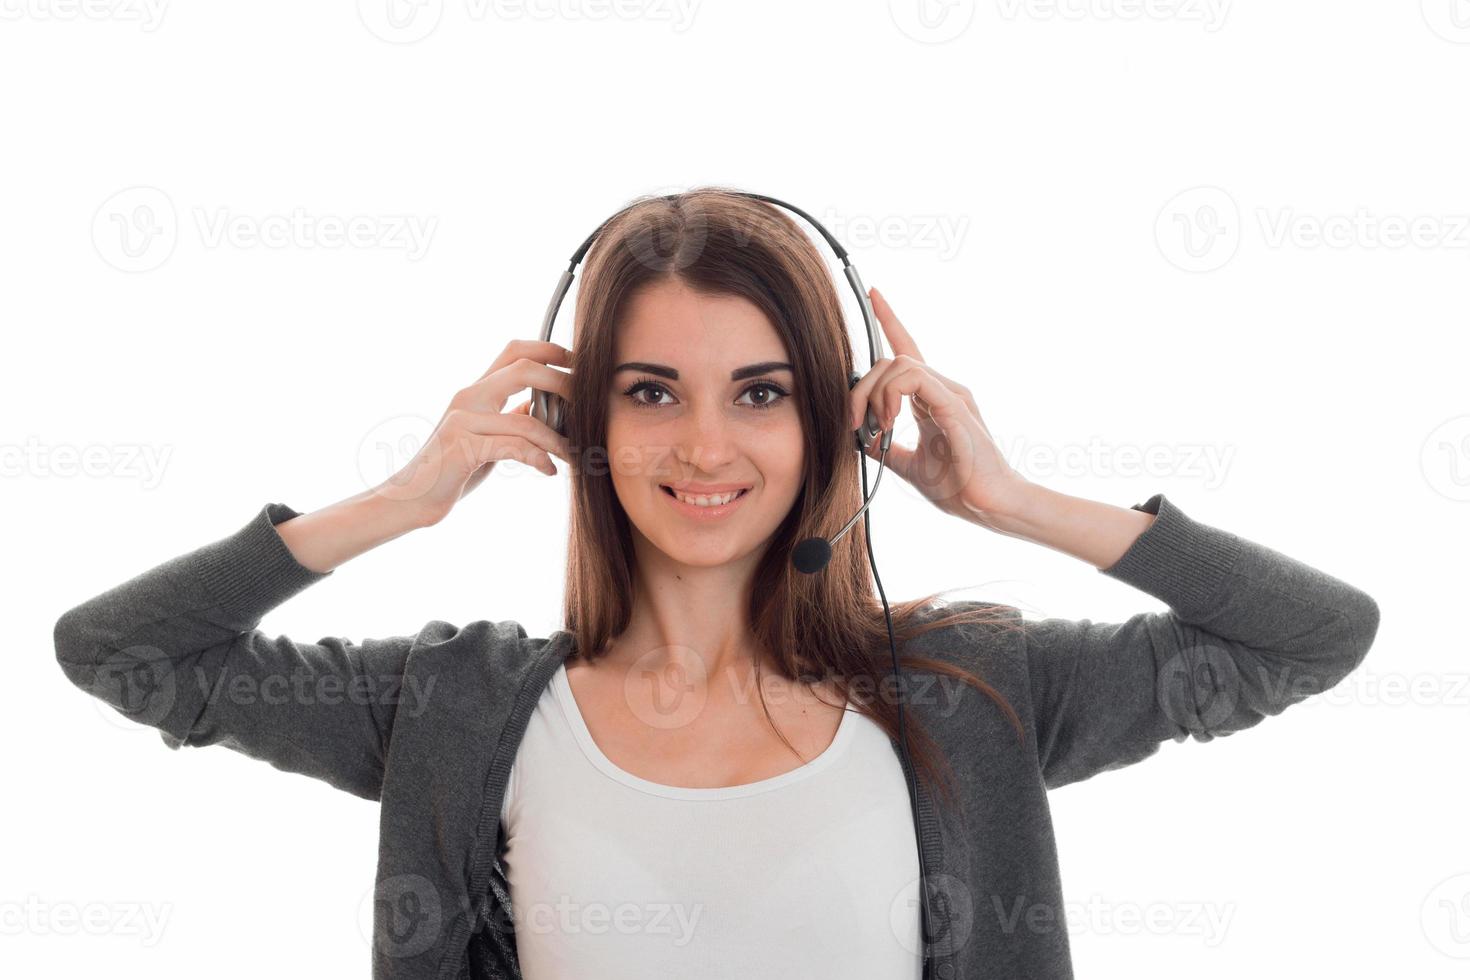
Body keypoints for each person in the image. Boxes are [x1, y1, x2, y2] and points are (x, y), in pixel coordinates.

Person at [53, 188, 1381, 980]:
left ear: (828, 422)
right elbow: (123, 653)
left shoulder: (975, 688)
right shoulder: (456, 708)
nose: (702, 445)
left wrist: (1011, 502)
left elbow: (1313, 635)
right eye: (649, 393)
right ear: (585, 424)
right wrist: (401, 501)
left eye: (761, 393)